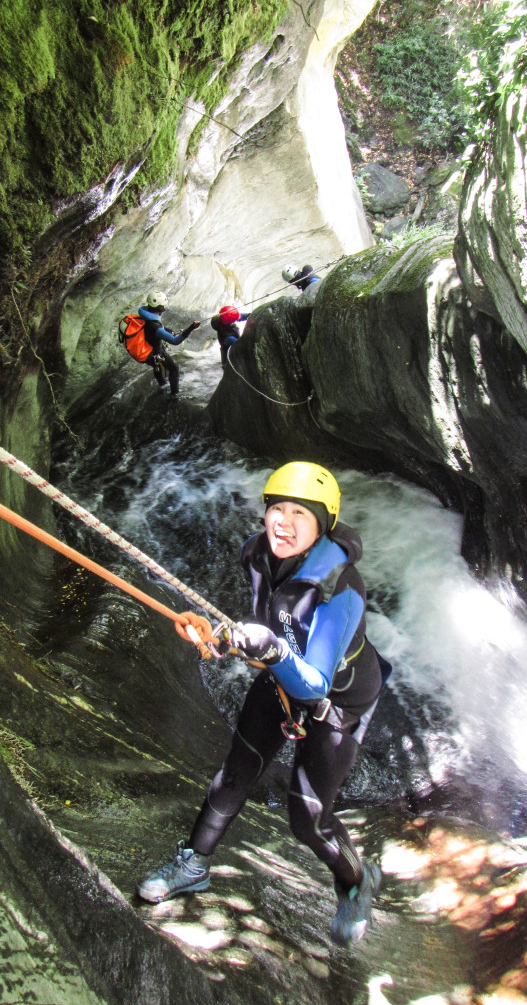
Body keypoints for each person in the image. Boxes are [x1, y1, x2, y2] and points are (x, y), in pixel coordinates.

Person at [137, 461, 388, 946]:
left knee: (308, 819)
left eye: (300, 512)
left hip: (337, 701)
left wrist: (270, 650)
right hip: (281, 679)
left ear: (322, 524)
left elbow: (314, 684)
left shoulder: (340, 587)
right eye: (277, 509)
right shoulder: (257, 556)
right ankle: (194, 863)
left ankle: (357, 883)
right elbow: (265, 627)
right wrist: (218, 638)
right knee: (235, 773)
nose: (284, 522)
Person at [137, 290, 201, 397]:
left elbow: (154, 327)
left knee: (157, 366)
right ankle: (174, 394)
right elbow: (175, 341)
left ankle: (162, 384)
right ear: (160, 309)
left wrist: (167, 330)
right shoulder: (155, 327)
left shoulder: (145, 315)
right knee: (174, 368)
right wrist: (191, 328)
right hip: (154, 352)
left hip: (147, 349)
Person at [210, 304, 248, 369]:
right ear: (230, 322)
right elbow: (240, 346)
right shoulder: (229, 338)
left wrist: (249, 315)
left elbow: (238, 316)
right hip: (230, 359)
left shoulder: (221, 320)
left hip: (226, 352)